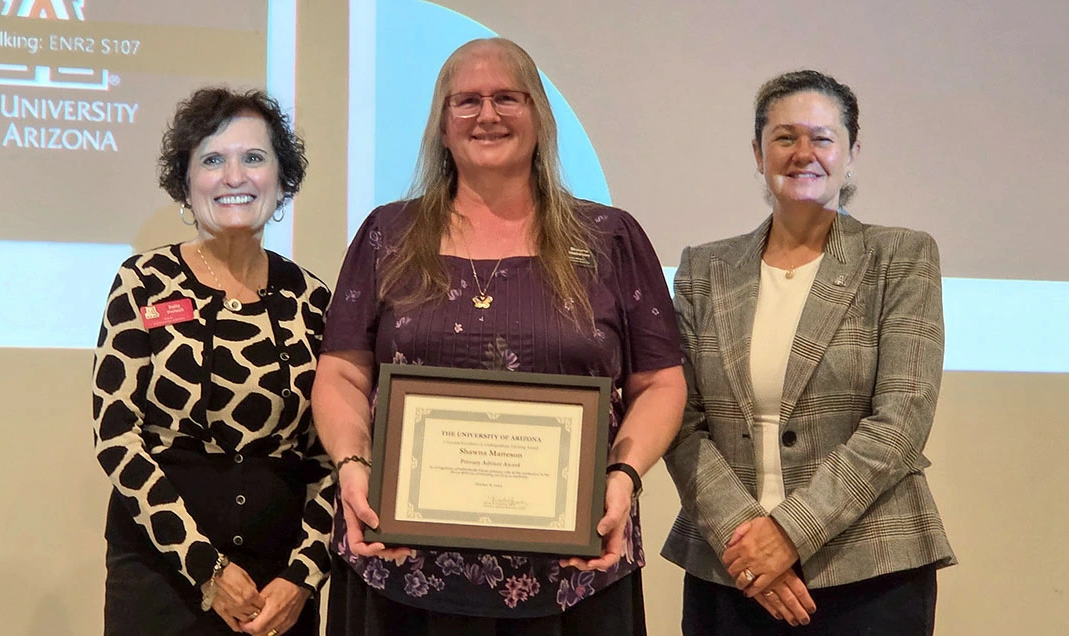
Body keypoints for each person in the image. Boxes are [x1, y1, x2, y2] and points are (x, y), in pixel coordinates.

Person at [311, 38, 686, 635]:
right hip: (403, 568)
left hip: (576, 569)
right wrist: (353, 465)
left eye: (508, 97)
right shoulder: (388, 234)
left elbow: (661, 381)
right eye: (467, 101)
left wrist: (625, 476)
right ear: (442, 123)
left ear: (539, 115)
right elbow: (342, 375)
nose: (488, 115)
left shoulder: (609, 238)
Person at [662, 69, 957, 635]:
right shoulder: (705, 269)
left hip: (870, 572)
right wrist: (747, 538)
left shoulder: (900, 257)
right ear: (758, 151)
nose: (804, 153)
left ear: (851, 153)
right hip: (731, 567)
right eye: (785, 137)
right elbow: (679, 418)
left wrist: (789, 534)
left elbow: (900, 422)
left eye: (822, 137)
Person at [92, 87, 333, 636]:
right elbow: (115, 436)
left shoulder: (314, 300)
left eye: (253, 157)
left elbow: (331, 458)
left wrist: (304, 576)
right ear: (186, 182)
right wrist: (207, 567)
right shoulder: (144, 283)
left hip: (279, 589)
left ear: (281, 177)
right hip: (163, 573)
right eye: (212, 160)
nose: (234, 177)